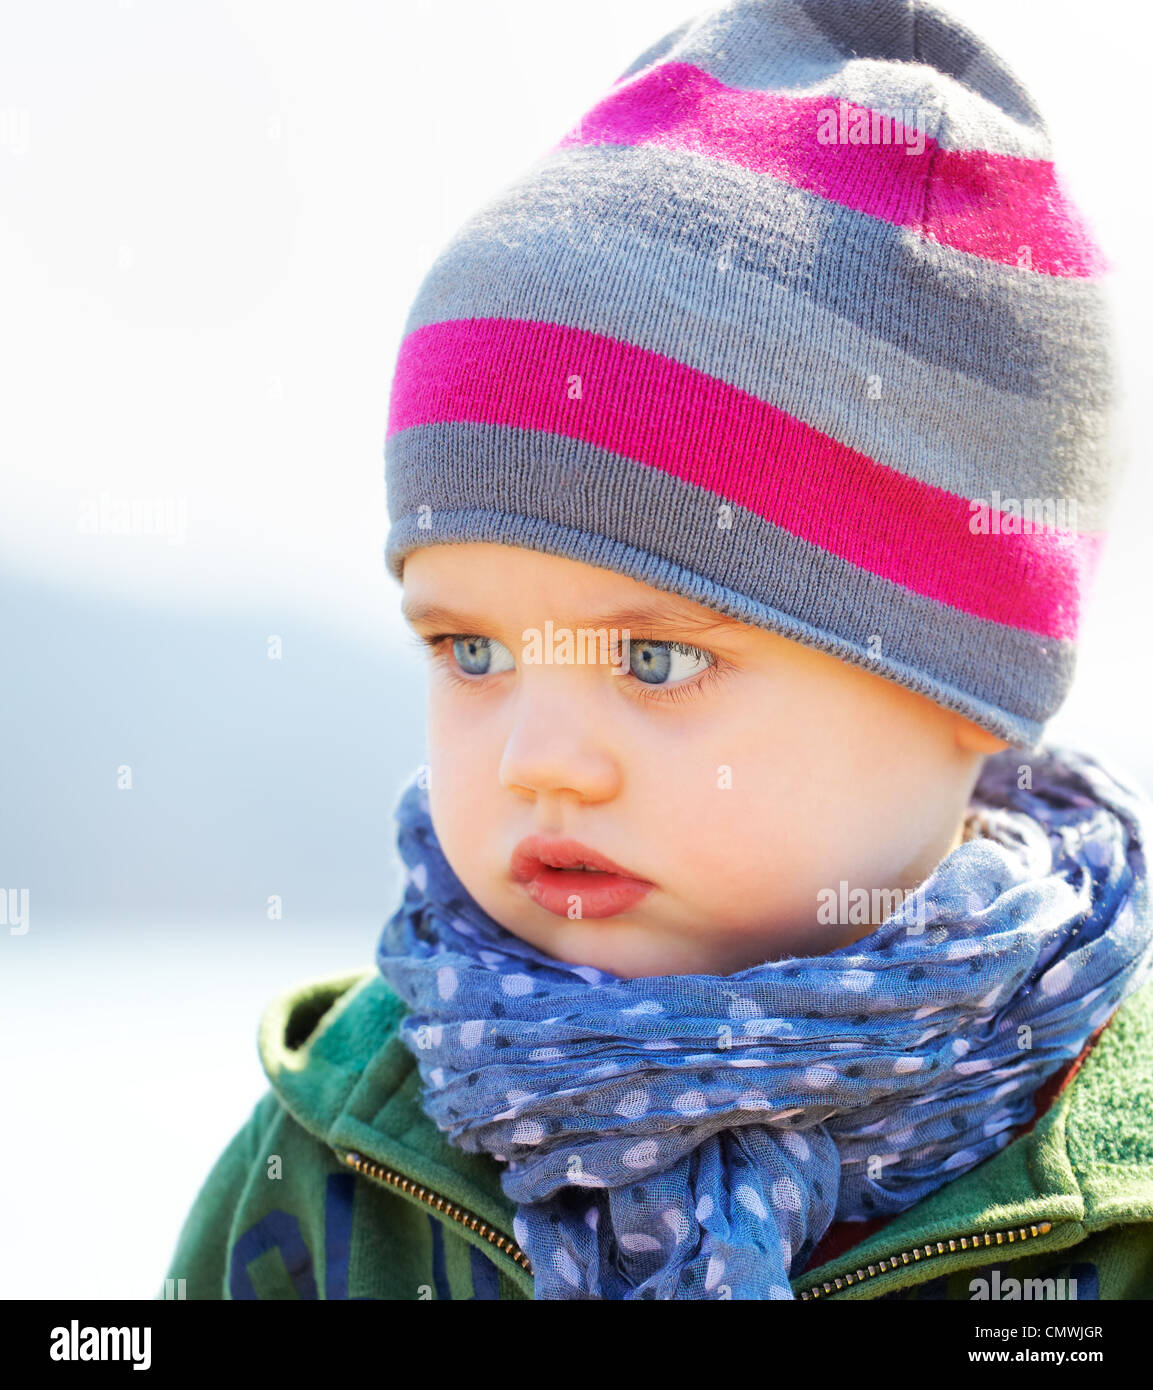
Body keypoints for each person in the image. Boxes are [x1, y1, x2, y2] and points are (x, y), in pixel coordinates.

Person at [159, 0, 1153, 1301]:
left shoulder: (1110, 1214)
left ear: (972, 690)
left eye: (657, 662)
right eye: (469, 651)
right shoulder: (326, 1159)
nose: (540, 761)